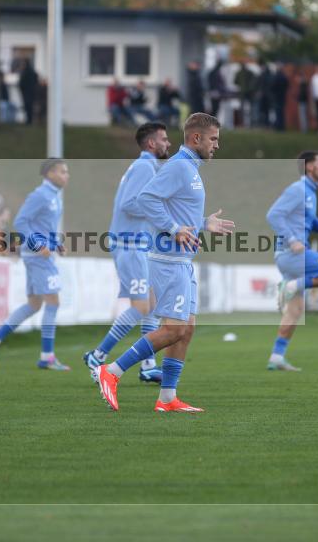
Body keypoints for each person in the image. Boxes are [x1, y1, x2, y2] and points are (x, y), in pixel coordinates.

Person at [95, 113, 235, 413]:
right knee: (173, 330)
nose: (217, 145)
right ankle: (112, 371)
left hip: (182, 260)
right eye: (213, 139)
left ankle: (168, 397)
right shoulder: (179, 166)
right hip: (168, 261)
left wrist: (202, 223)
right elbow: (145, 199)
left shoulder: (189, 168)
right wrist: (173, 229)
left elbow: (177, 209)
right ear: (196, 138)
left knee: (186, 329)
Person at [83, 122, 172, 384]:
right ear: (151, 143)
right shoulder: (145, 167)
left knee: (151, 303)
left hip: (136, 244)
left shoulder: (145, 166)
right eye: (164, 139)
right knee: (141, 306)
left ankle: (148, 366)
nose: (168, 143)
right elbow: (129, 204)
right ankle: (98, 355)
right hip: (129, 245)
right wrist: (160, 210)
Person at [0, 158, 71, 370]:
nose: (66, 175)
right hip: (38, 257)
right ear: (49, 174)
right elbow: (21, 221)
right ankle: (47, 357)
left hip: (38, 255)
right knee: (53, 302)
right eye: (62, 171)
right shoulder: (40, 195)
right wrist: (38, 245)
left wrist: (56, 244)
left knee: (34, 304)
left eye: (67, 172)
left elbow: (45, 227)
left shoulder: (54, 196)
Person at [266, 151, 318, 371]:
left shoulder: (310, 191)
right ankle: (292, 285)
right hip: (291, 254)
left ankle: (276, 357)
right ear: (309, 166)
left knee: (295, 310)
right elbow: (273, 215)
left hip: (291, 255)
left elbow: (308, 223)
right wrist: (292, 240)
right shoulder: (299, 189)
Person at [234, 61, 256, 127]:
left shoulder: (238, 73)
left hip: (242, 92)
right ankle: (251, 123)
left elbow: (235, 82)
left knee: (242, 109)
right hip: (249, 92)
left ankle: (242, 123)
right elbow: (254, 80)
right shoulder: (250, 72)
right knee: (251, 108)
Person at [18, 59, 39, 125]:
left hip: (27, 92)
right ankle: (30, 120)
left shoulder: (25, 73)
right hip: (32, 92)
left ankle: (29, 120)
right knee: (30, 107)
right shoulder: (32, 72)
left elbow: (22, 83)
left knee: (28, 107)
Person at [271, 64, 289, 131]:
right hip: (282, 96)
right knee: (281, 112)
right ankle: (282, 127)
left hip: (277, 96)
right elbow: (287, 85)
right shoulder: (284, 76)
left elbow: (273, 86)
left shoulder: (276, 76)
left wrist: (273, 92)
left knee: (278, 112)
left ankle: (278, 126)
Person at [255, 63, 273, 128]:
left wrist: (259, 92)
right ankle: (266, 123)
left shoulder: (262, 75)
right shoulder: (270, 75)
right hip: (268, 95)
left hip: (264, 96)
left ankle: (263, 123)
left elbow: (258, 84)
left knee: (262, 110)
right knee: (266, 110)